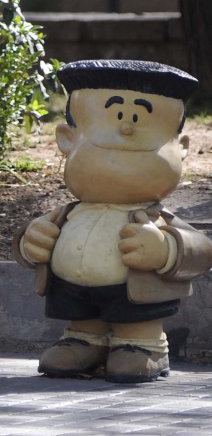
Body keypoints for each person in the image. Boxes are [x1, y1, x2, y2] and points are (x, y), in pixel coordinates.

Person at [13, 59, 212, 383]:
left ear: (182, 148)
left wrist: (167, 250)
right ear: (66, 139)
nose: (127, 125)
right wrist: (29, 241)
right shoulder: (69, 214)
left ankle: (144, 345)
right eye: (111, 116)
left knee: (136, 329)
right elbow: (30, 241)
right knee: (81, 322)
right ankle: (84, 340)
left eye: (143, 119)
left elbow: (201, 250)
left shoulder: (156, 218)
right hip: (74, 295)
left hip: (136, 297)